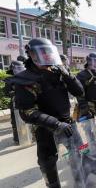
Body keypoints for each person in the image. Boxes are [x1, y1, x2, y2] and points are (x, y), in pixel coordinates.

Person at [13, 38, 84, 187]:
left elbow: (79, 91)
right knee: (48, 163)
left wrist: (67, 75)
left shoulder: (58, 71)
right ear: (31, 54)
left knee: (81, 152)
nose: (46, 57)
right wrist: (56, 124)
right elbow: (27, 112)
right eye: (42, 53)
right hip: (46, 129)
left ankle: (81, 181)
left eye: (48, 53)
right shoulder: (25, 79)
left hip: (69, 124)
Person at [4, 60, 26, 145]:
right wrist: (14, 93)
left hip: (24, 102)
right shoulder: (9, 79)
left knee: (27, 120)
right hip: (14, 104)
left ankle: (30, 136)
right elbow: (7, 92)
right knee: (15, 122)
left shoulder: (24, 77)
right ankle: (17, 138)